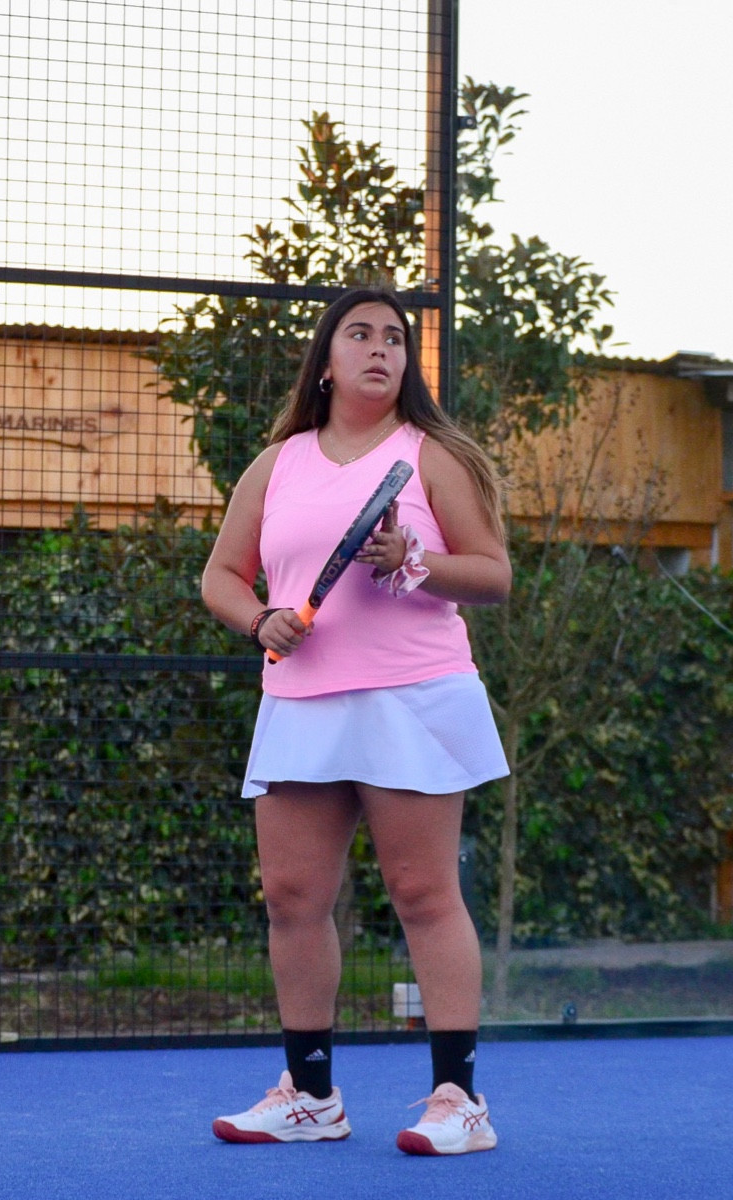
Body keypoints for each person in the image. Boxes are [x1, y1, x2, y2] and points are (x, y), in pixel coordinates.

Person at [201, 288, 511, 1156]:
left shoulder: (431, 456)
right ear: (327, 361)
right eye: (361, 334)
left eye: (396, 339)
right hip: (300, 700)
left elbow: (492, 574)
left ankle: (460, 1101)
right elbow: (221, 576)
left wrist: (415, 560)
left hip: (413, 696)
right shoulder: (277, 464)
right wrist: (259, 620)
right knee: (293, 898)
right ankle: (310, 1098)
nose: (381, 349)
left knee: (422, 893)